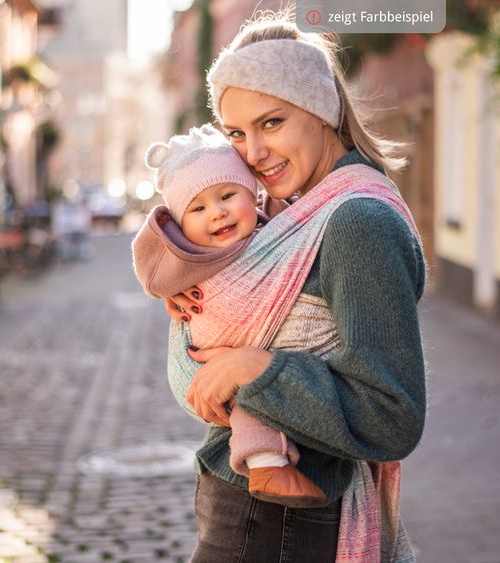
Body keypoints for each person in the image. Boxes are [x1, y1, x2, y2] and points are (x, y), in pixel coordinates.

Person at [163, 13, 426, 563]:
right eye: (236, 132)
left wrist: (255, 368)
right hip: (253, 506)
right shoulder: (287, 213)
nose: (252, 152)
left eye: (272, 122)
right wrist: (190, 286)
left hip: (281, 521)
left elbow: (392, 416)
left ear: (320, 108)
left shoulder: (356, 220)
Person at [132, 123, 328, 508]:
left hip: (250, 356)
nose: (217, 213)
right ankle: (267, 464)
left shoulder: (278, 229)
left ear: (252, 194)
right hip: (203, 366)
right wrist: (173, 288)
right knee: (249, 398)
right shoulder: (193, 257)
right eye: (198, 208)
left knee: (254, 383)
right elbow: (158, 270)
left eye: (227, 195)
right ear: (181, 225)